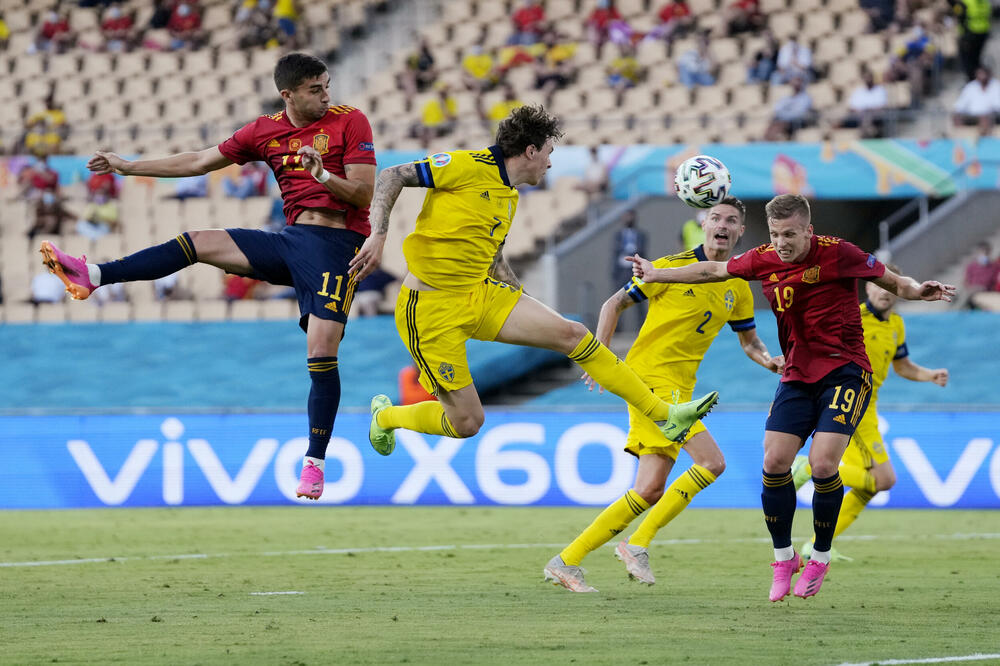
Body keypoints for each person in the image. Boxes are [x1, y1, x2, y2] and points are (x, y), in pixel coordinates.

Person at [38, 53, 377, 502]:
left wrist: (322, 175)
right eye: (316, 89)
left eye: (327, 86)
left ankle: (314, 463)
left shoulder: (350, 121)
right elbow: (199, 161)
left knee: (320, 350)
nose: (326, 96)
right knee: (197, 240)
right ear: (288, 94)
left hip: (338, 247)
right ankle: (94, 275)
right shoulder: (264, 130)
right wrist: (129, 165)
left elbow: (364, 191)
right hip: (291, 241)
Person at [354, 105, 720, 491]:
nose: (549, 164)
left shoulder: (509, 195)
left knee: (573, 334)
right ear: (530, 151)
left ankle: (664, 415)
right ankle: (387, 418)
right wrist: (377, 234)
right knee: (467, 423)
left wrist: (525, 299)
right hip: (430, 310)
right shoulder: (464, 165)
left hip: (479, 294)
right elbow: (392, 174)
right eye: (548, 153)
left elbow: (491, 257)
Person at [627, 193, 955, 601]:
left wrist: (917, 290)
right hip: (797, 374)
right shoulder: (764, 258)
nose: (782, 242)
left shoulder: (840, 253)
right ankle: (784, 558)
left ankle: (819, 555)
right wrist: (657, 274)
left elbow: (891, 280)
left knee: (821, 465)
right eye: (776, 234)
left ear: (808, 231)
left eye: (790, 235)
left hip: (846, 372)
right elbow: (711, 270)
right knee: (774, 461)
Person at [545, 197, 783, 592]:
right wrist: (599, 358)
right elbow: (613, 303)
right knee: (712, 463)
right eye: (716, 217)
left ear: (741, 232)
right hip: (649, 379)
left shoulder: (738, 286)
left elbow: (749, 341)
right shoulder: (669, 268)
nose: (723, 224)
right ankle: (636, 543)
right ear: (704, 223)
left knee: (650, 488)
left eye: (733, 221)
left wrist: (768, 360)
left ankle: (567, 560)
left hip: (679, 387)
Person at [790, 266, 949, 561]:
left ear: (898, 291)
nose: (883, 292)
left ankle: (816, 544)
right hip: (850, 400)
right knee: (884, 480)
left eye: (890, 287)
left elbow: (902, 365)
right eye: (878, 286)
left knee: (871, 486)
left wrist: (929, 375)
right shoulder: (852, 317)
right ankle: (807, 468)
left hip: (869, 404)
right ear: (868, 289)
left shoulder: (897, 325)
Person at [952, 66, 1000, 137]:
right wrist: (957, 114)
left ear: (988, 75)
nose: (982, 77)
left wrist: (987, 113)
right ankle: (960, 141)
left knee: (985, 119)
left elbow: (997, 106)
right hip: (973, 116)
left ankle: (985, 141)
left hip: (992, 115)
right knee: (956, 118)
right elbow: (960, 105)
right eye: (980, 74)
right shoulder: (970, 87)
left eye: (983, 74)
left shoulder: (996, 86)